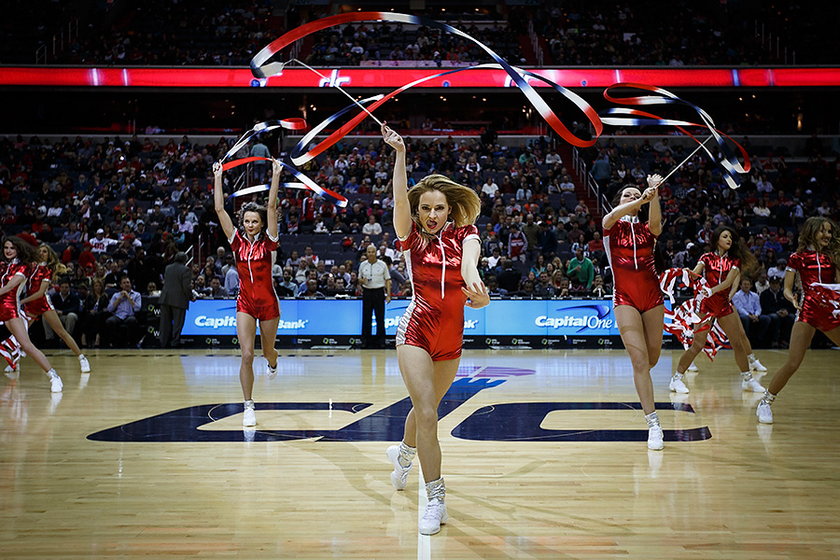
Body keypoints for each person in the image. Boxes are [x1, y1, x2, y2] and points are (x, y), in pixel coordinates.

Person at [381, 124, 489, 535]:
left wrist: (477, 289)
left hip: (452, 337)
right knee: (428, 412)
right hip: (416, 331)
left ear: (450, 210)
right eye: (424, 208)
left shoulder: (467, 235)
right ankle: (436, 499)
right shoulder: (410, 238)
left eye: (438, 208)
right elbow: (398, 200)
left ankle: (404, 457)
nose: (430, 215)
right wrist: (401, 155)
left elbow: (471, 265)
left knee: (424, 412)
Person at [214, 158, 281, 428]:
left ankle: (274, 362)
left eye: (255, 221)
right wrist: (218, 175)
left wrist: (275, 174)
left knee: (267, 352)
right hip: (245, 303)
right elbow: (219, 208)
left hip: (268, 304)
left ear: (261, 223)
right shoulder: (236, 242)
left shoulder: (270, 242)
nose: (251, 224)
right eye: (247, 221)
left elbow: (272, 206)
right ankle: (248, 406)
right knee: (246, 355)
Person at [602, 178, 666, 450]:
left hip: (653, 297)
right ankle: (653, 423)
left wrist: (656, 194)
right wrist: (642, 198)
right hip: (624, 298)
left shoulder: (645, 229)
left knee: (651, 359)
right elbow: (608, 218)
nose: (631, 197)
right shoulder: (611, 228)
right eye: (627, 195)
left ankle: (644, 387)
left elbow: (656, 227)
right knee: (639, 361)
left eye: (636, 195)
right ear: (619, 201)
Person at [757, 217, 840, 423]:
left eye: (829, 232)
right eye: (823, 231)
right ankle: (765, 402)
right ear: (812, 232)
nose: (827, 235)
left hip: (831, 311)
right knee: (793, 362)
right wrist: (792, 297)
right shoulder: (797, 257)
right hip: (808, 311)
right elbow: (786, 288)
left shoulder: (834, 257)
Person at [669, 226, 767, 395]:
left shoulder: (735, 260)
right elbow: (695, 273)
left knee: (737, 342)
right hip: (705, 305)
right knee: (697, 344)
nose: (729, 239)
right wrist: (687, 274)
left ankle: (748, 379)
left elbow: (729, 282)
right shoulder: (706, 257)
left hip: (722, 304)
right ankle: (676, 379)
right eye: (725, 236)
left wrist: (712, 290)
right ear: (716, 240)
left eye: (730, 237)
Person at [0, 237, 63, 391]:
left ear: (19, 250)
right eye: (6, 247)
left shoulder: (23, 268)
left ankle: (54, 376)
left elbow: (8, 288)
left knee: (27, 346)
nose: (8, 251)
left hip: (10, 311)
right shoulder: (3, 266)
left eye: (12, 248)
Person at [18, 244, 90, 373]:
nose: (41, 253)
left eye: (44, 251)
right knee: (20, 335)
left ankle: (82, 358)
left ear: (49, 255)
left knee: (61, 332)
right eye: (39, 251)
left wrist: (21, 301)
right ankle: (15, 363)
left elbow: (40, 293)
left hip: (43, 303)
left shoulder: (47, 270)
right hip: (31, 304)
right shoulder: (31, 267)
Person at [359, 244, 391, 349]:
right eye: (369, 252)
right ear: (366, 253)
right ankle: (365, 341)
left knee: (380, 318)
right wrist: (362, 281)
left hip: (379, 292)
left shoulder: (382, 264)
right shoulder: (362, 265)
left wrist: (388, 295)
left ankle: (381, 341)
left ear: (376, 253)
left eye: (373, 252)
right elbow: (359, 279)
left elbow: (387, 280)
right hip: (367, 292)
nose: (371, 254)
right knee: (366, 317)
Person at [159, 251, 193, 348]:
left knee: (164, 324)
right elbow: (186, 287)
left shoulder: (168, 268)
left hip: (165, 298)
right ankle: (174, 343)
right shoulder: (186, 270)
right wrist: (191, 297)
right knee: (177, 324)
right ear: (185, 260)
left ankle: (163, 343)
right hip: (179, 300)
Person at [732, 278, 773, 348]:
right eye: (744, 284)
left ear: (751, 286)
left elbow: (758, 308)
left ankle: (759, 339)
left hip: (754, 315)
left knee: (766, 319)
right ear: (740, 286)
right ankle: (746, 340)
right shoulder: (736, 295)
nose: (746, 286)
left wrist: (756, 315)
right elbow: (739, 308)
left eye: (748, 284)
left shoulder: (755, 295)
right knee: (745, 319)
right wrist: (749, 315)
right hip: (743, 315)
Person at [104, 276, 142, 347]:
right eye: (124, 283)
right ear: (121, 285)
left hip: (130, 315)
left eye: (128, 282)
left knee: (132, 320)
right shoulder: (116, 295)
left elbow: (137, 308)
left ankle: (131, 344)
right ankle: (114, 344)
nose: (126, 284)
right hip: (118, 316)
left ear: (130, 284)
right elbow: (109, 309)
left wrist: (128, 297)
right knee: (110, 321)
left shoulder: (137, 295)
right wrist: (119, 299)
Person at [760, 276, 795, 347]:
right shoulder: (764, 294)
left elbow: (790, 306)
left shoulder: (785, 294)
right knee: (775, 317)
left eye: (776, 283)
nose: (774, 285)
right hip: (770, 313)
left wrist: (786, 311)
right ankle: (774, 340)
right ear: (769, 284)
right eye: (773, 283)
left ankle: (785, 340)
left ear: (779, 284)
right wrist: (777, 311)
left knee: (792, 317)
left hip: (784, 313)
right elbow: (765, 307)